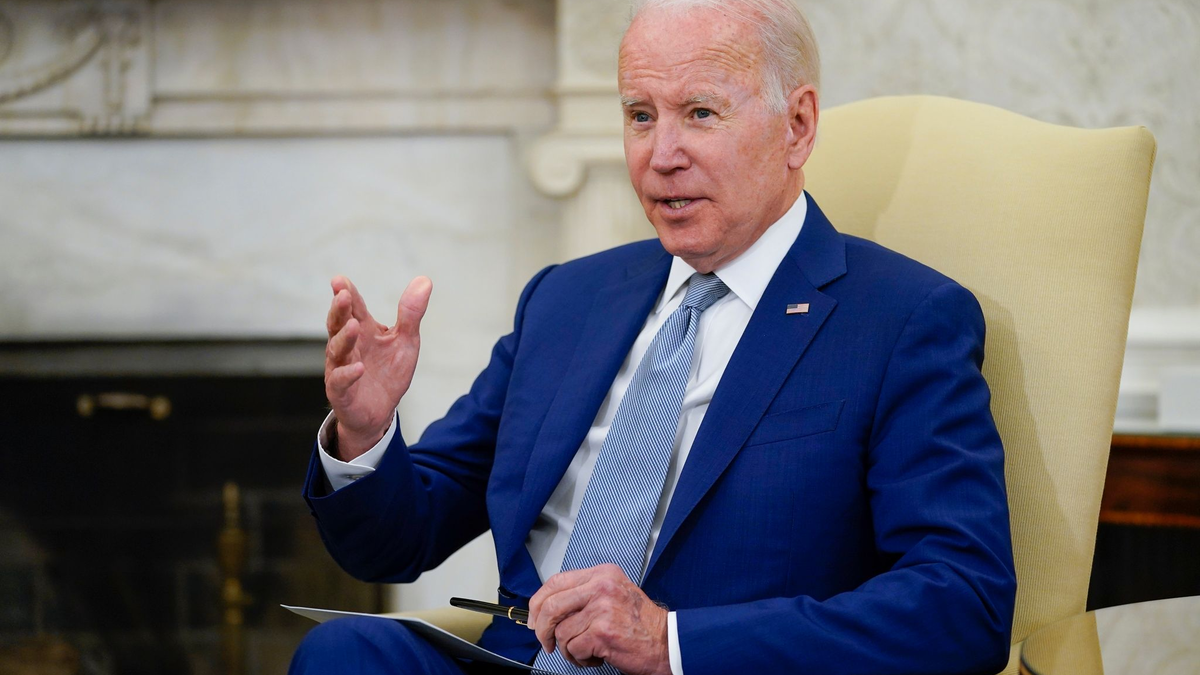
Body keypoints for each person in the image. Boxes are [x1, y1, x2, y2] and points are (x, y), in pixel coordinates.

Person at [291, 0, 1016, 673]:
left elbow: (963, 601)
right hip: (522, 659)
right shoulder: (566, 300)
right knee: (346, 651)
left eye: (700, 113)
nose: (661, 154)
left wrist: (671, 639)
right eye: (640, 115)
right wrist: (367, 434)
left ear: (797, 127)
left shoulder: (902, 318)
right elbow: (396, 539)